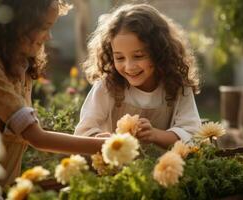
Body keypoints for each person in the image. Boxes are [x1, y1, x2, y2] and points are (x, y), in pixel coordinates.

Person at [0, 0, 105, 187]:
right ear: (19, 25)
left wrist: (92, 142)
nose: (48, 37)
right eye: (44, 27)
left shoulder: (21, 69)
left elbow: (30, 133)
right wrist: (103, 146)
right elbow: (36, 137)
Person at [74, 4, 201, 148]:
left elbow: (192, 134)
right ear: (110, 55)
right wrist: (104, 140)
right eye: (120, 58)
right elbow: (83, 132)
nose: (129, 67)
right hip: (115, 169)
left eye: (138, 56)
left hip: (166, 167)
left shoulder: (177, 86)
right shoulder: (107, 87)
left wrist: (155, 135)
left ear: (159, 51)